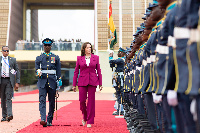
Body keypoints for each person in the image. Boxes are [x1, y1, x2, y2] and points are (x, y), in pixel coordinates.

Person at [72, 42, 103, 128]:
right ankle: (84, 116)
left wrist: (100, 83)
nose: (89, 49)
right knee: (82, 101)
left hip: (93, 81)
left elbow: (99, 71)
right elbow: (76, 72)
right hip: (82, 81)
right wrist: (74, 84)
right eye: (88, 47)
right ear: (84, 49)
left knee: (91, 102)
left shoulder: (96, 58)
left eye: (90, 47)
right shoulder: (79, 58)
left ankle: (90, 120)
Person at [35, 38, 62, 127]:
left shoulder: (56, 57)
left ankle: (49, 119)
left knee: (51, 101)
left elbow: (58, 70)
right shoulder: (39, 57)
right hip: (42, 81)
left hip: (52, 82)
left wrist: (59, 80)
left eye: (48, 45)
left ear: (51, 46)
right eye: (45, 45)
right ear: (43, 46)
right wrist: (38, 72)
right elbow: (36, 69)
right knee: (42, 100)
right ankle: (43, 118)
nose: (47, 47)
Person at [0, 46, 20, 122]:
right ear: (2, 51)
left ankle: (10, 114)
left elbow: (17, 71)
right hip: (1, 81)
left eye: (7, 51)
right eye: (4, 51)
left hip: (9, 81)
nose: (6, 52)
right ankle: (4, 116)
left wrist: (17, 82)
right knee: (2, 99)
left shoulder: (13, 60)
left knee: (8, 98)